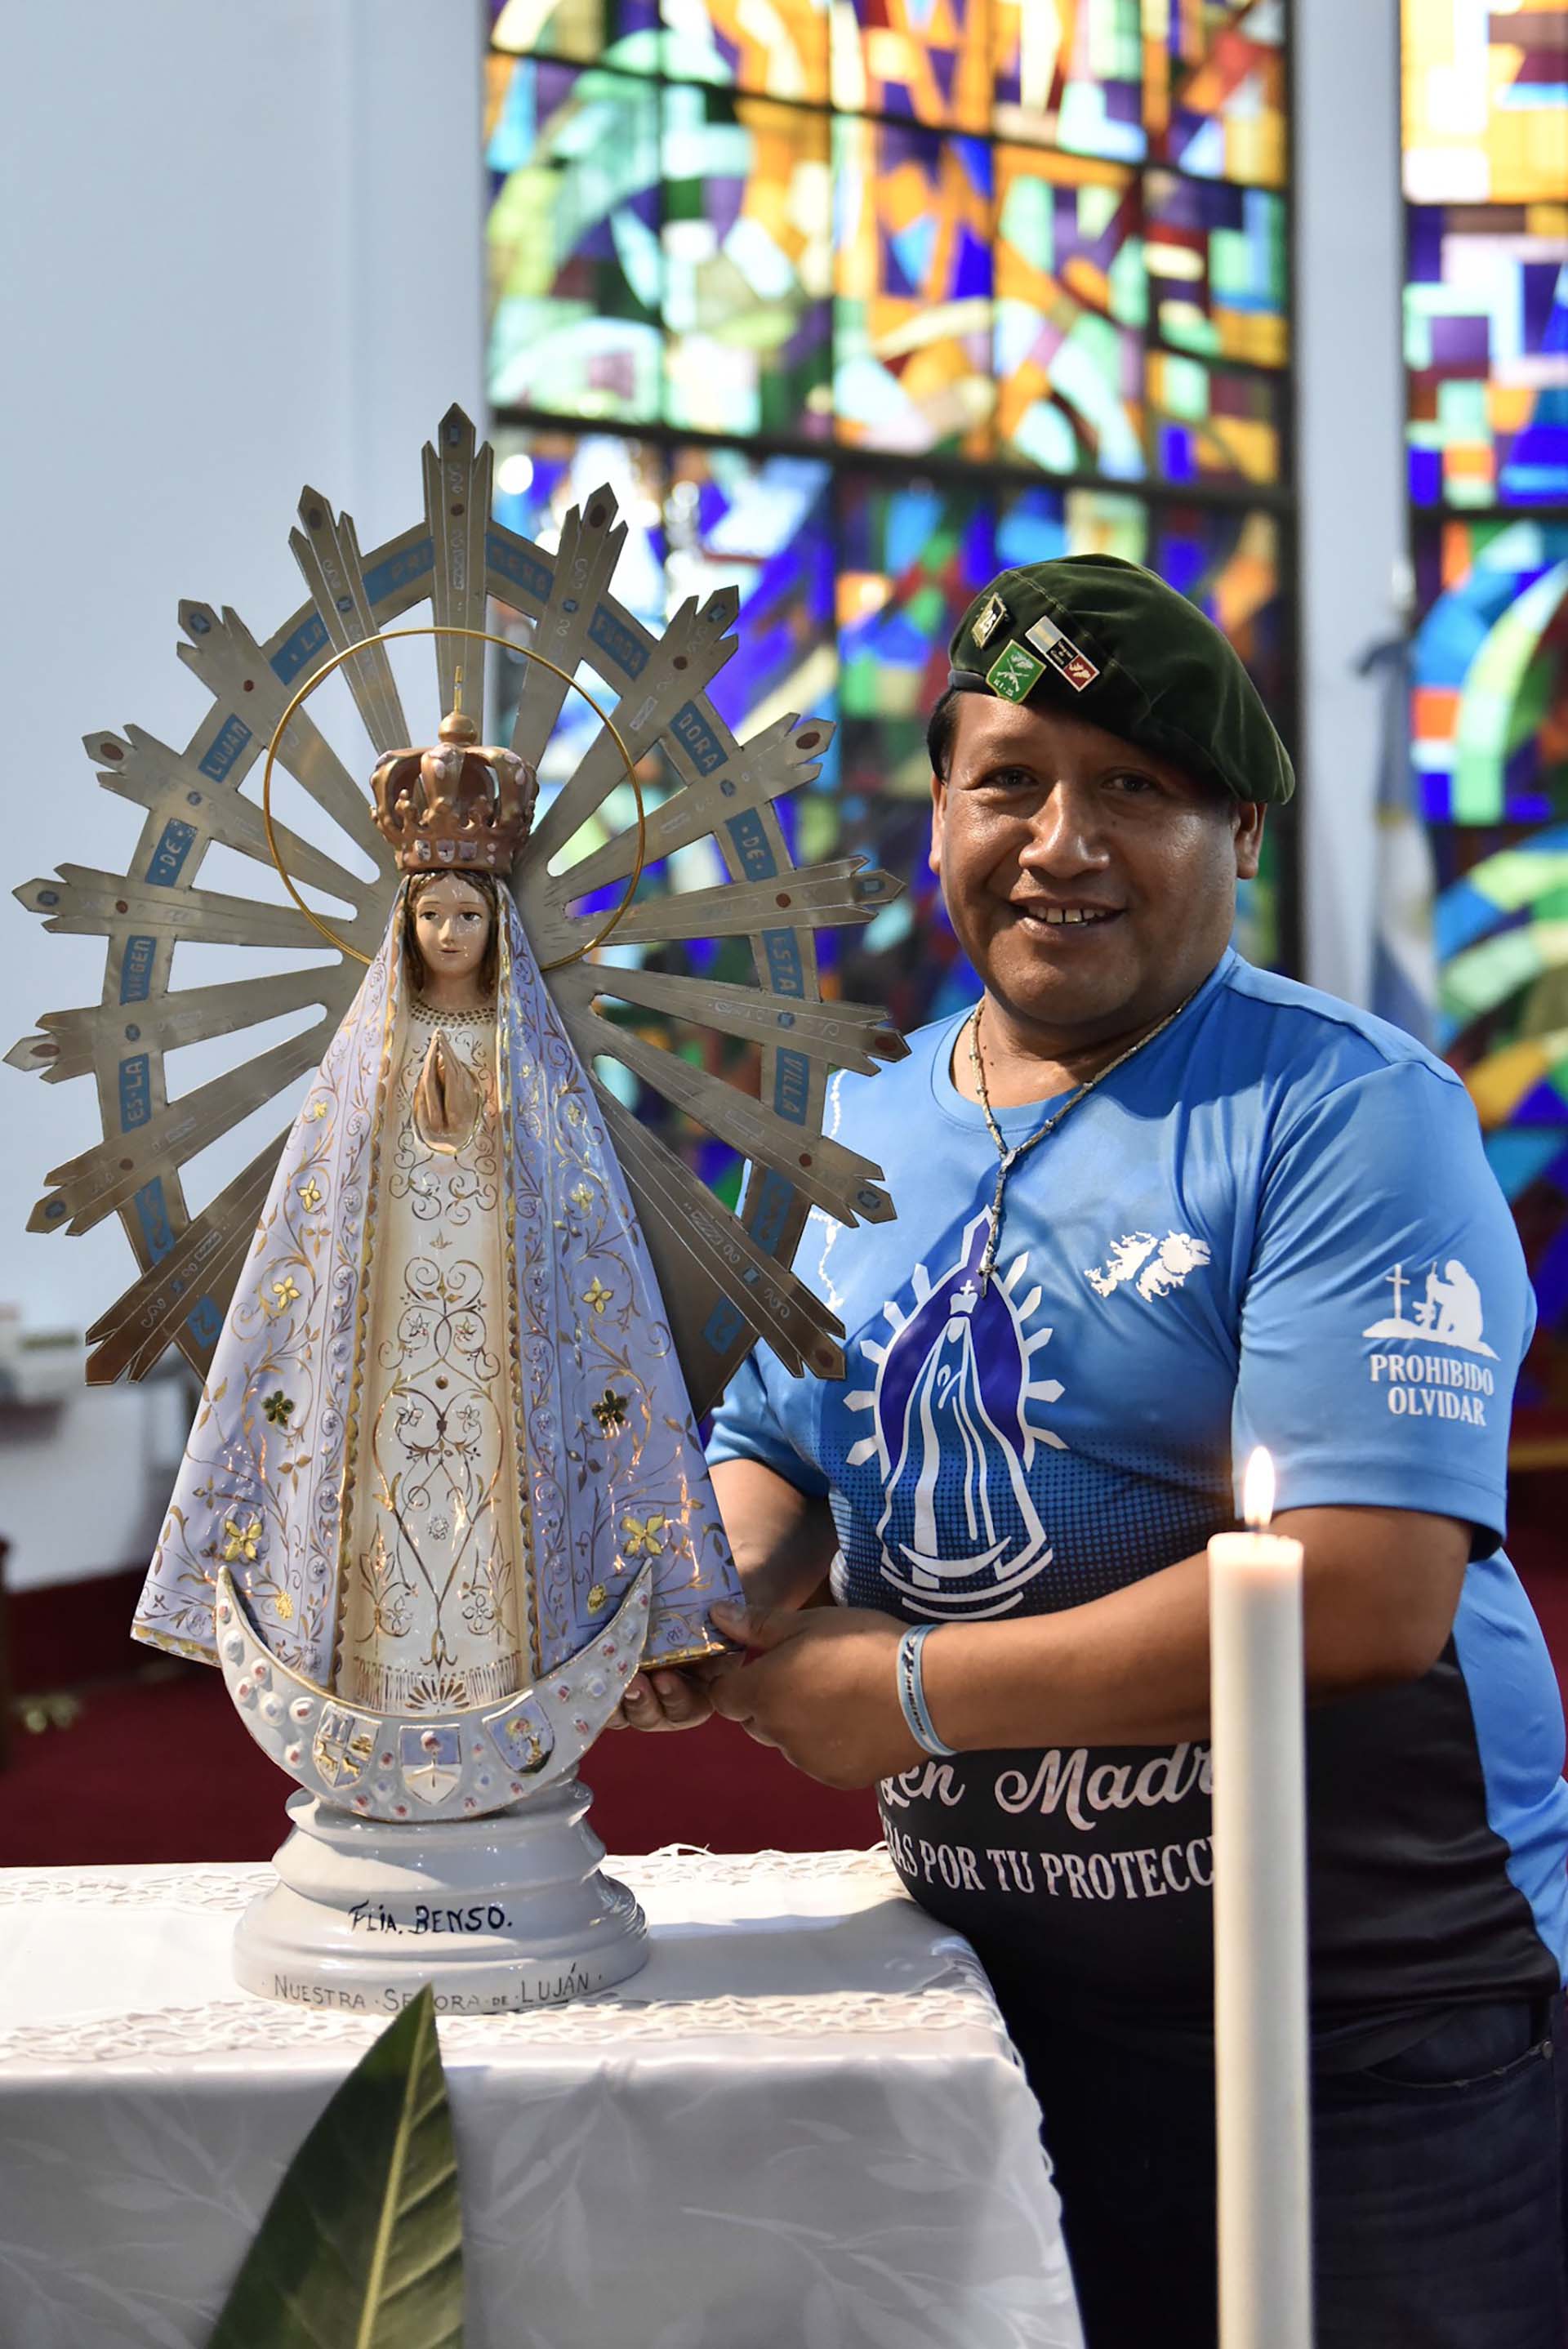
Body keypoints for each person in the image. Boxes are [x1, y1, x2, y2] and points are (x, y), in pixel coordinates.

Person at [617, 556, 1568, 2347]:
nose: (1062, 842)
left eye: (1134, 786)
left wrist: (906, 1695)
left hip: (1367, 2021)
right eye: (1011, 782)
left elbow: (1366, 1595)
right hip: (991, 1998)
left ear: (1241, 832)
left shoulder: (1349, 1114)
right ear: (942, 818)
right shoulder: (864, 1109)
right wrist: (707, 1596)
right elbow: (783, 1439)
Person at [133, 707, 737, 1728]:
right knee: (385, 1507)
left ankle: (518, 1677)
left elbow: (575, 1206)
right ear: (406, 925)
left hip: (506, 1341)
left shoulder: (528, 1058)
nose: (450, 934)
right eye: (433, 916)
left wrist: (496, 1148)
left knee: (500, 1507)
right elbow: (322, 1207)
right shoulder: (370, 1057)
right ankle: (370, 1681)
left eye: (468, 915)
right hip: (388, 1342)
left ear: (497, 925)